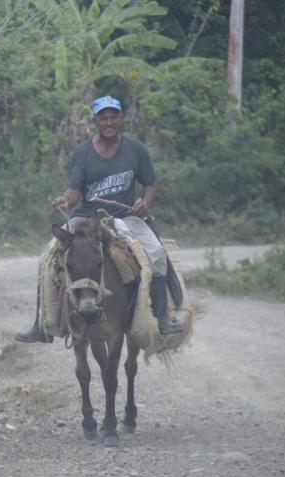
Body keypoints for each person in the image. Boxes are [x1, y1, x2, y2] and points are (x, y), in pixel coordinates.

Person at [16, 95, 184, 343]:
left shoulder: (136, 150)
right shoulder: (83, 153)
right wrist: (65, 201)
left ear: (120, 118)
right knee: (45, 257)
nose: (109, 122)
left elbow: (150, 184)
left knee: (157, 254)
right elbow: (74, 193)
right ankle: (41, 324)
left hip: (125, 217)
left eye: (113, 117)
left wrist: (144, 204)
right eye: (103, 118)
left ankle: (162, 318)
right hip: (86, 216)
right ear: (95, 121)